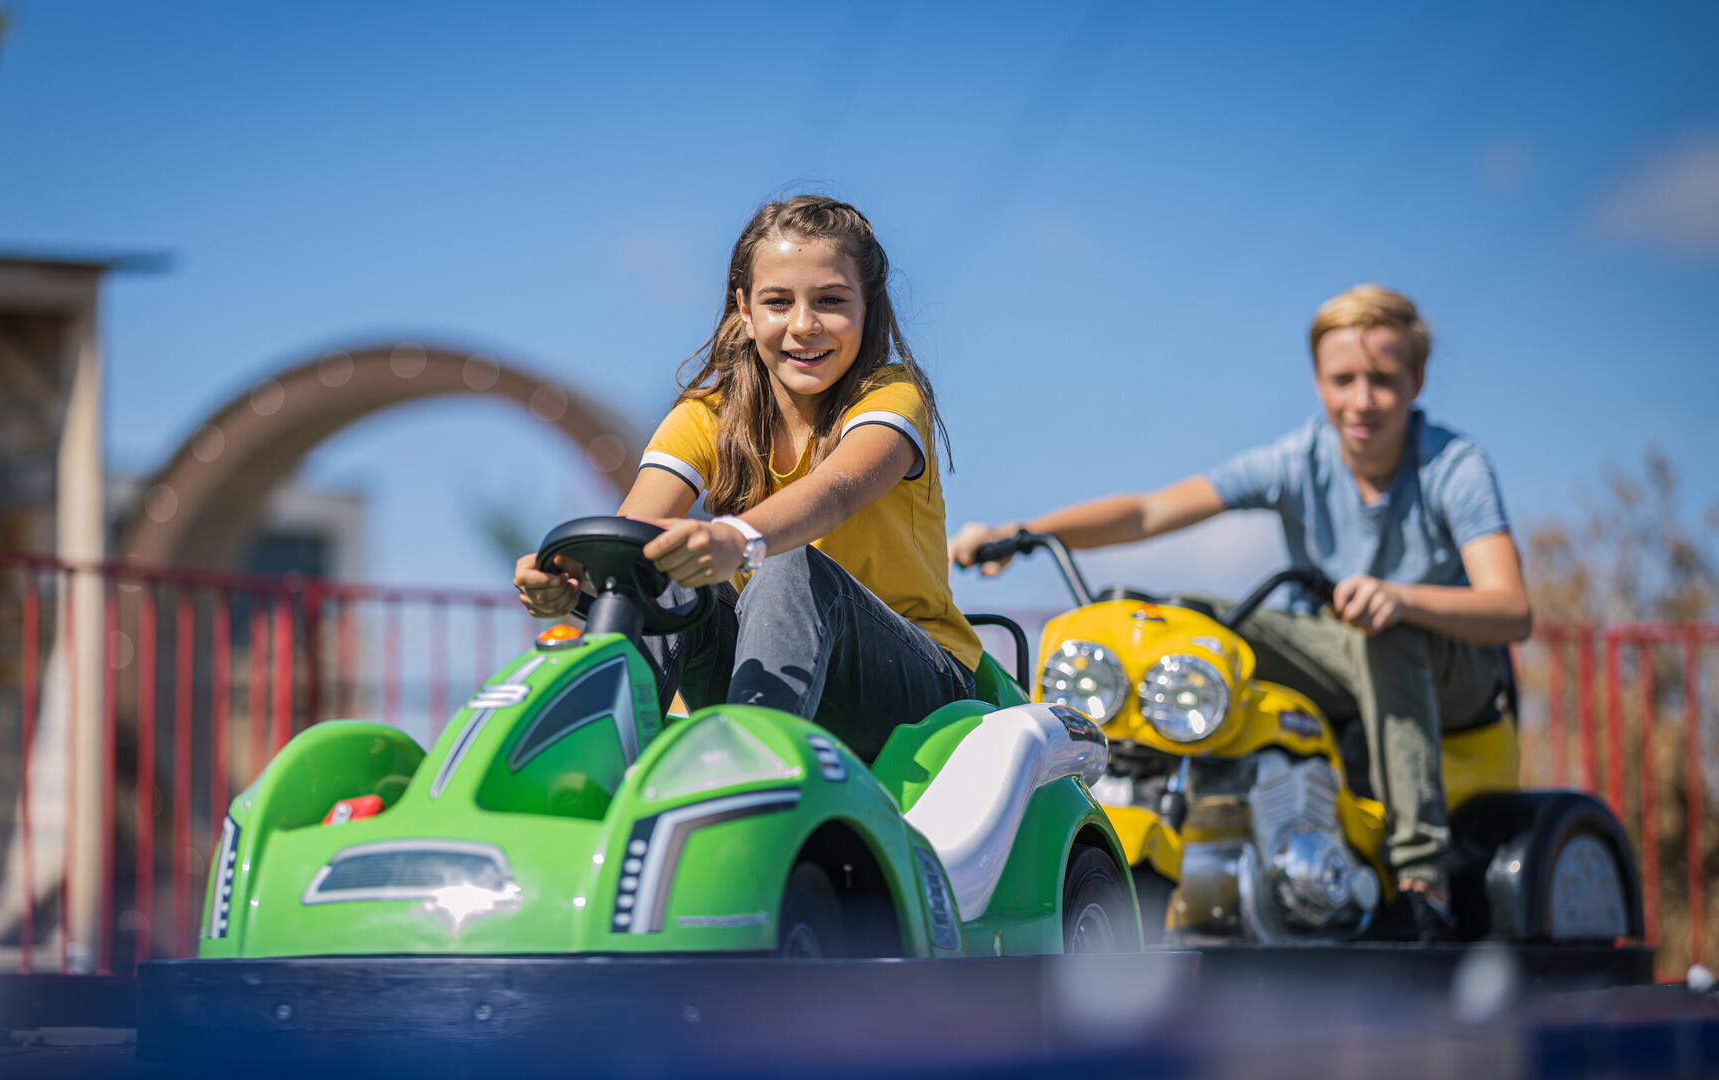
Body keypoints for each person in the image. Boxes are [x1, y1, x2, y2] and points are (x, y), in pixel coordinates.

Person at [948, 285, 1532, 940]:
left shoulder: (1452, 466)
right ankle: (1177, 819)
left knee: (1383, 633)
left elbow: (1509, 610)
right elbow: (1148, 512)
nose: (1360, 400)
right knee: (1178, 615)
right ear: (1317, 381)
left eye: (1382, 380)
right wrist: (1020, 530)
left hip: (1452, 668)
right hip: (1337, 643)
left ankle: (1422, 881)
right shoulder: (1296, 460)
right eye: (1342, 379)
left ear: (1417, 380)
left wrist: (1400, 596)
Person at [515, 195, 981, 764]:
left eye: (831, 301)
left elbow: (835, 491)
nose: (804, 326)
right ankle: (597, 767)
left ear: (867, 305)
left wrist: (739, 539)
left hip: (913, 687)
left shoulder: (891, 397)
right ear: (745, 307)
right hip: (768, 662)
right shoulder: (707, 413)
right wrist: (570, 576)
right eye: (778, 302)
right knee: (662, 563)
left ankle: (745, 778)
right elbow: (634, 526)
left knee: (786, 559)